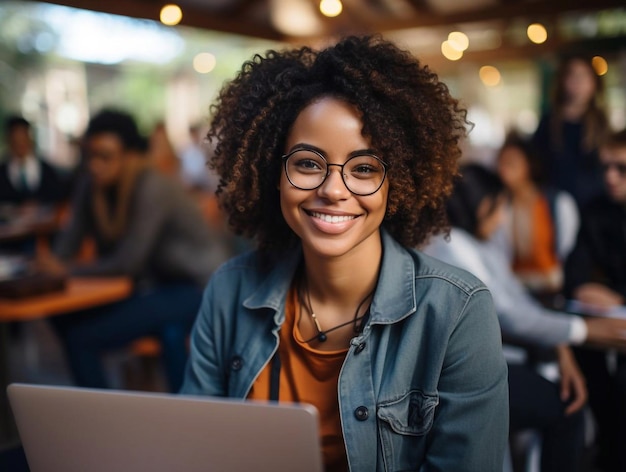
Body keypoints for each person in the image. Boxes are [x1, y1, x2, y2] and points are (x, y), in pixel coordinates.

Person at [180, 35, 509, 471]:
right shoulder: (229, 289)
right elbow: (194, 448)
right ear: (272, 173)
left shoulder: (457, 312)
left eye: (365, 168)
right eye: (308, 163)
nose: (333, 190)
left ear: (399, 183)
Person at [424, 164, 626, 472]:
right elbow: (504, 314)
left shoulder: (476, 244)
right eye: (498, 208)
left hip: (494, 363)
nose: (503, 219)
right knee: (567, 409)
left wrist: (561, 344)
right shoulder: (447, 249)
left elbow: (517, 298)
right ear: (480, 206)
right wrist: (582, 330)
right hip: (461, 377)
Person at [38, 109, 230, 392]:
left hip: (200, 288)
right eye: (90, 156)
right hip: (156, 287)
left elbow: (128, 262)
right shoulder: (91, 186)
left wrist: (64, 269)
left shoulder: (152, 186)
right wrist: (52, 263)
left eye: (105, 156)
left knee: (82, 337)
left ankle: (102, 421)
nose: (95, 165)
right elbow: (67, 246)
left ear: (130, 156)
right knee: (61, 317)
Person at [564, 128, 626, 472]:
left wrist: (616, 296)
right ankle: (609, 446)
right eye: (605, 167)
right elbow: (575, 271)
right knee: (579, 346)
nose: (610, 177)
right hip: (614, 319)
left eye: (621, 168)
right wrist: (582, 287)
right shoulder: (597, 209)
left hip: (618, 312)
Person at [496, 132, 579, 295]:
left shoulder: (558, 203)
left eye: (511, 163)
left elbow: (567, 250)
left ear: (529, 164)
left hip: (554, 290)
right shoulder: (501, 206)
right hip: (516, 293)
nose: (503, 170)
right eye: (501, 163)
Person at [532, 54, 609, 210]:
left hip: (595, 204)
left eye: (583, 76)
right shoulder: (550, 122)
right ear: (563, 81)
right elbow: (536, 161)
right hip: (556, 203)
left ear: (594, 83)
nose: (578, 82)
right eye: (572, 76)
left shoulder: (601, 123)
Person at [0, 115, 66, 205]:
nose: (20, 144)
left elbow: (58, 199)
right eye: (16, 140)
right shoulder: (3, 172)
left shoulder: (47, 171)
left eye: (23, 138)